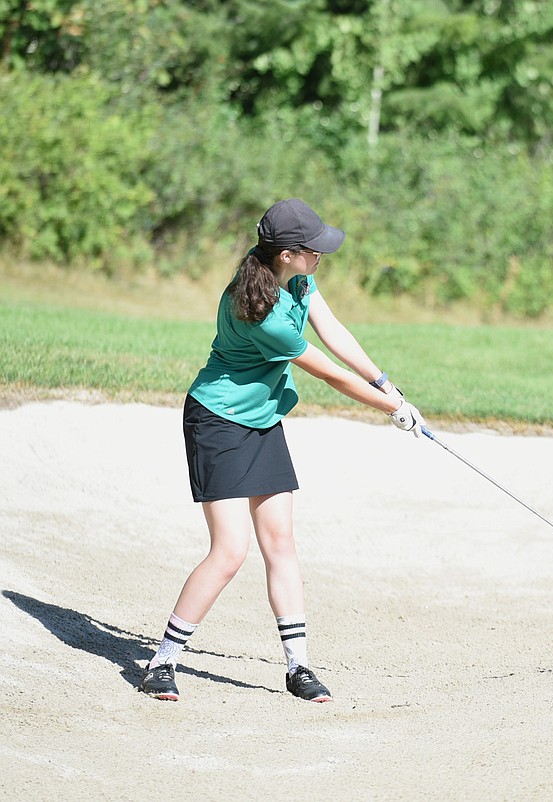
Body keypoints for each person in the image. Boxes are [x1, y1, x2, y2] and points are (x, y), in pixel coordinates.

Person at [139, 198, 426, 703]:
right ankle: (163, 661)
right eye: (315, 250)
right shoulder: (260, 309)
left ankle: (298, 667)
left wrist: (387, 384)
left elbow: (333, 330)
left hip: (261, 420)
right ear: (288, 253)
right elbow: (328, 372)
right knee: (230, 552)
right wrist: (390, 409)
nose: (322, 256)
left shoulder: (296, 277)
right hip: (218, 422)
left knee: (281, 543)